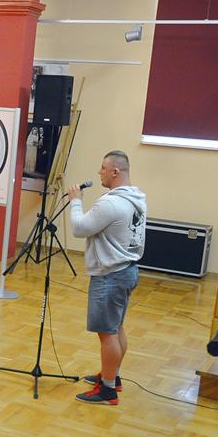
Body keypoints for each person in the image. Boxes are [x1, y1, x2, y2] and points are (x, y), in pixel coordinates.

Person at [69, 150, 147, 405]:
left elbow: (80, 228)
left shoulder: (110, 203)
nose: (99, 172)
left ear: (115, 171)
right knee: (116, 328)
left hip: (110, 275)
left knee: (107, 334)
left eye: (103, 168)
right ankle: (114, 376)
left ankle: (108, 390)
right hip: (127, 271)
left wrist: (76, 201)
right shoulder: (137, 199)